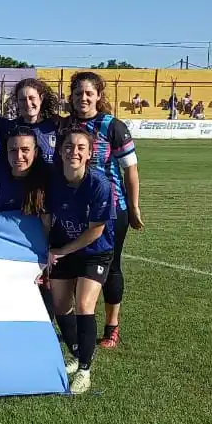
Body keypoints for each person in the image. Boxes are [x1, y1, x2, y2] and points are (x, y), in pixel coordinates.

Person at [65, 71, 143, 349]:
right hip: (73, 210)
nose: (83, 98)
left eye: (88, 93)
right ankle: (78, 321)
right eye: (78, 93)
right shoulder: (66, 125)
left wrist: (133, 207)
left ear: (99, 95)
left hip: (112, 210)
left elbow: (130, 171)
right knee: (73, 266)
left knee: (111, 267)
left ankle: (112, 326)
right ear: (71, 97)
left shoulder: (113, 126)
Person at [43, 126, 116, 395]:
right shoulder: (53, 181)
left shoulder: (99, 184)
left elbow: (96, 230)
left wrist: (63, 251)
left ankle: (85, 370)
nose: (74, 151)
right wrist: (48, 248)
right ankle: (75, 353)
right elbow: (47, 218)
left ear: (89, 154)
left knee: (85, 304)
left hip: (94, 250)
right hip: (64, 248)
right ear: (60, 152)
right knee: (61, 305)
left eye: (80, 148)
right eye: (69, 147)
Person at [0, 126, 50, 216]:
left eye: (25, 150)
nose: (19, 156)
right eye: (13, 150)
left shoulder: (48, 181)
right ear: (6, 152)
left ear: (35, 152)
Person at [9, 77, 62, 162]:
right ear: (17, 102)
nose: (28, 103)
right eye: (22, 100)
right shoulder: (10, 129)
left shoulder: (57, 126)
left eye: (31, 98)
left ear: (41, 98)